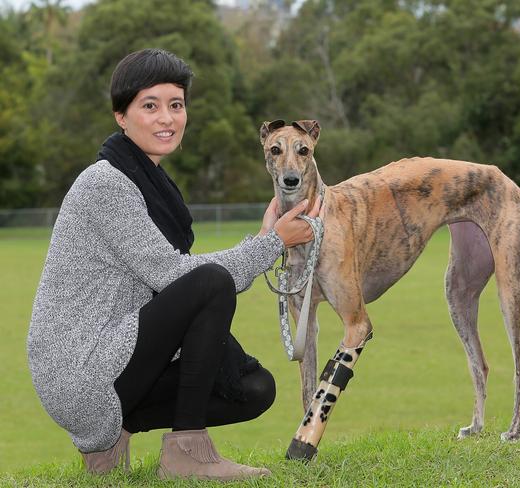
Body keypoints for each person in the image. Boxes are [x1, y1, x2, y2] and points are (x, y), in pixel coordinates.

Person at [27, 48, 319, 482]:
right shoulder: (106, 183)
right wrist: (271, 244)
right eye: (150, 105)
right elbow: (176, 276)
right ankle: (186, 451)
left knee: (254, 389)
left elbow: (172, 283)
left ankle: (114, 439)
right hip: (82, 371)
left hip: (117, 356)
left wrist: (264, 240)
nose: (167, 118)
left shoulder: (152, 184)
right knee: (210, 283)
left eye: (176, 105)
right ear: (121, 117)